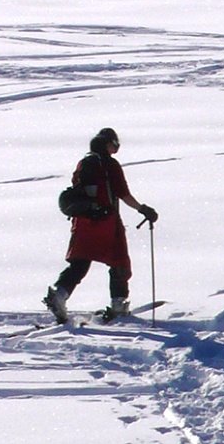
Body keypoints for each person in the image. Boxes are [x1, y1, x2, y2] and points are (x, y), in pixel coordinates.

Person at [44, 127, 158, 322]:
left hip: (83, 219)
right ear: (107, 144)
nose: (117, 148)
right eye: (115, 144)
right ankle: (118, 305)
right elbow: (122, 193)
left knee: (80, 262)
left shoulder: (83, 163)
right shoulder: (110, 165)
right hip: (107, 221)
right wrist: (143, 209)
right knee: (119, 261)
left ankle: (59, 294)